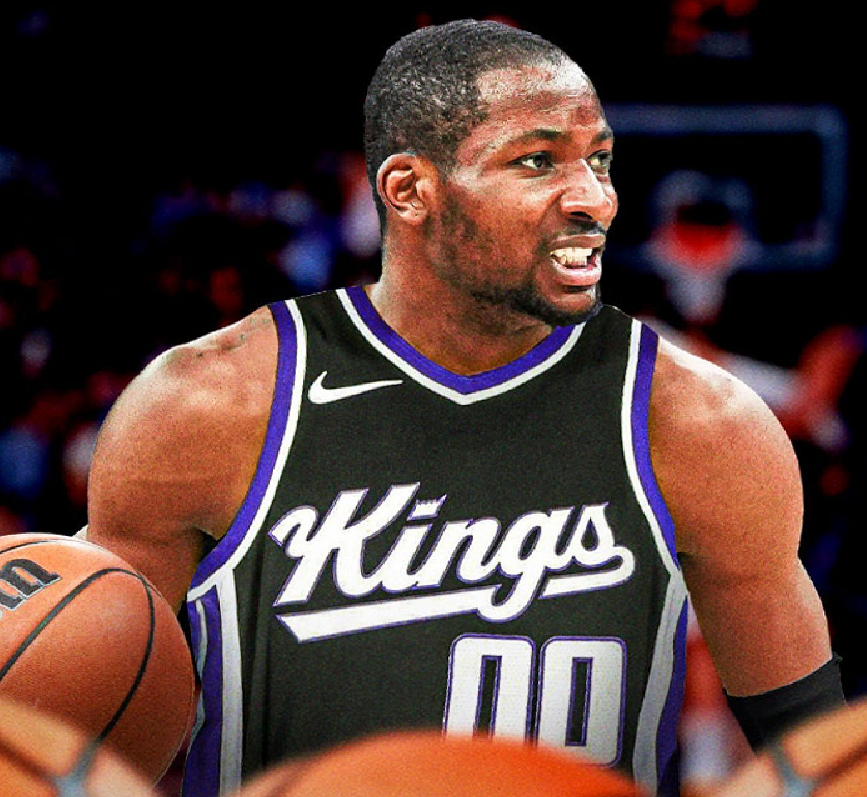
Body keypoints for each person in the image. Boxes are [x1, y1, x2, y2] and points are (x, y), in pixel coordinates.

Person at [80, 19, 844, 797]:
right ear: (409, 190)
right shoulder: (205, 404)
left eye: (596, 160)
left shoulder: (700, 423)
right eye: (536, 161)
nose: (593, 198)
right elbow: (79, 734)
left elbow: (817, 760)